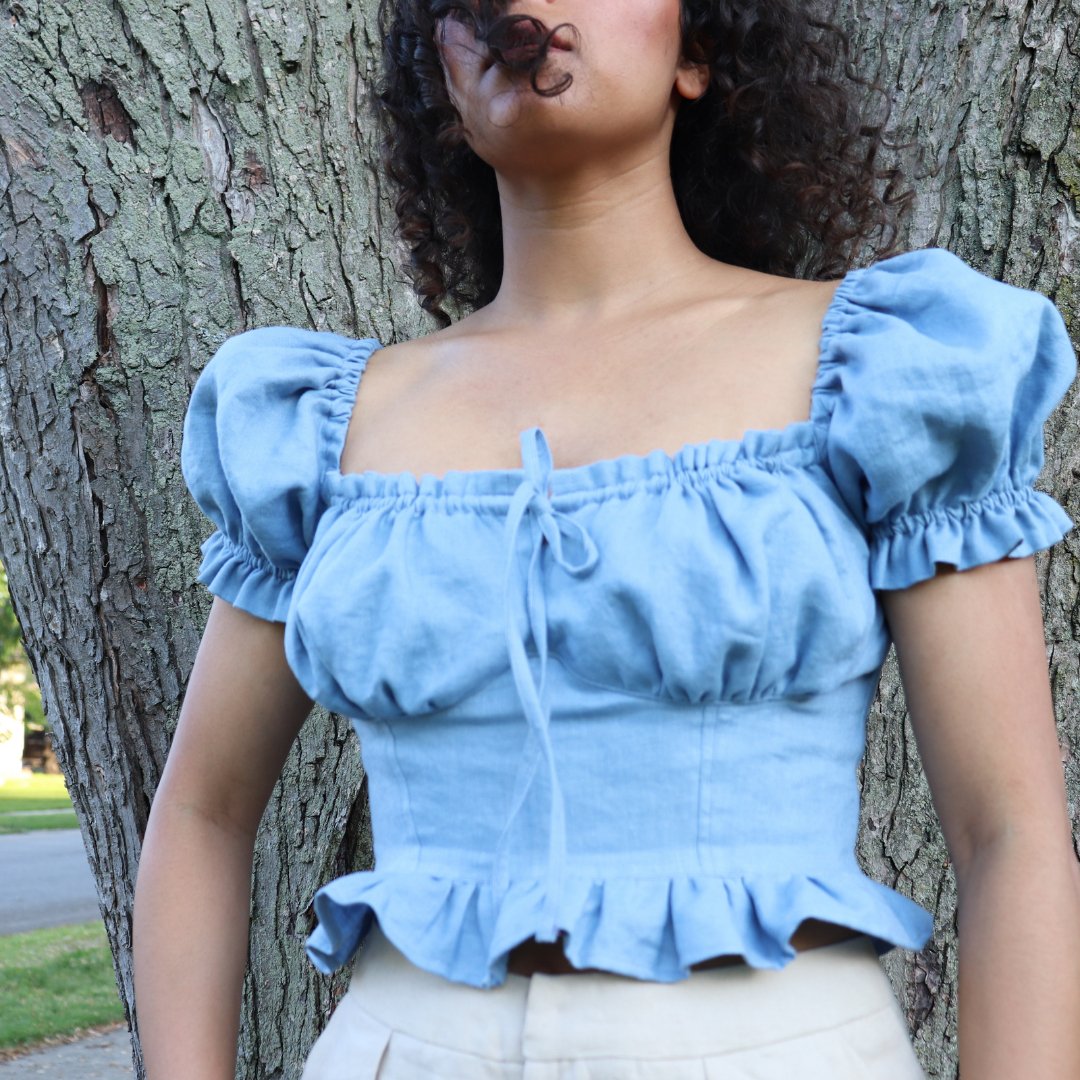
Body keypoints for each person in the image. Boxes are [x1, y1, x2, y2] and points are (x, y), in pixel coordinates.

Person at [133, 1, 1080, 1077]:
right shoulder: (317, 423)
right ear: (441, 81)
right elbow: (202, 813)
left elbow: (1009, 836)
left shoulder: (883, 366)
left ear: (699, 52)